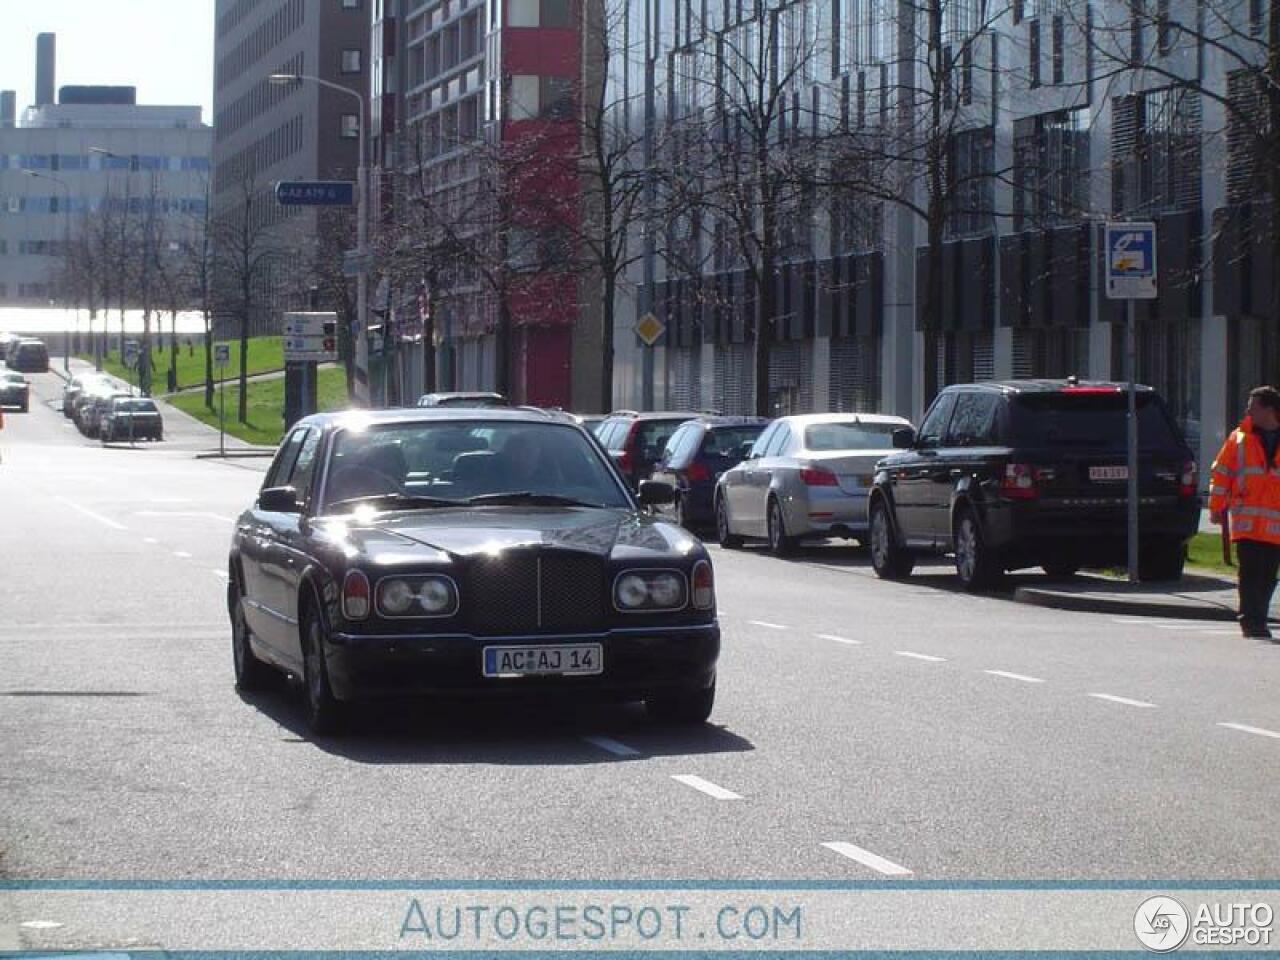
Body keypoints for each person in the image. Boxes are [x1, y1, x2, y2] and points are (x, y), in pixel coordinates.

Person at [1209, 385, 1280, 640]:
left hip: (1275, 525)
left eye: (1253, 406)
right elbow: (1221, 474)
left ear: (1268, 409)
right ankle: (1251, 621)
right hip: (1247, 522)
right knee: (1250, 573)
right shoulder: (1239, 438)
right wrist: (1216, 507)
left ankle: (1258, 615)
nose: (1248, 410)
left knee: (1268, 576)